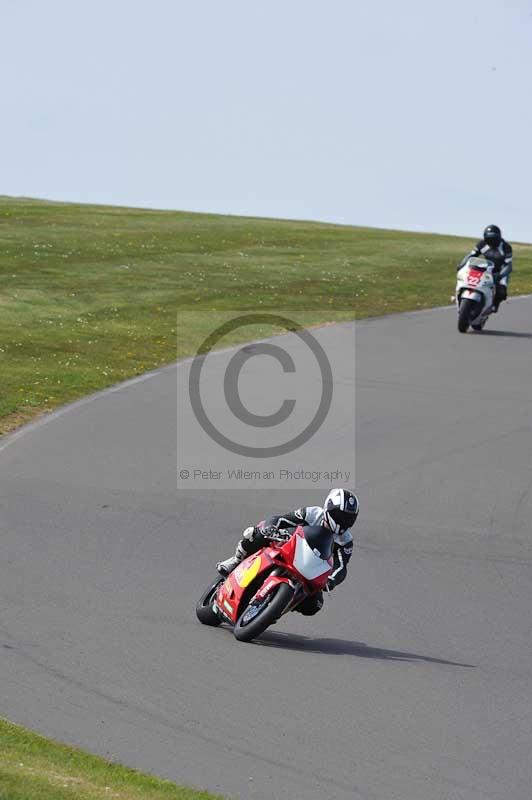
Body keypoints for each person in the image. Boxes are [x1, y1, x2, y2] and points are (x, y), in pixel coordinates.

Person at [216, 488, 359, 615]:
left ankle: (280, 604)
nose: (343, 521)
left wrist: (331, 580)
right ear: (328, 507)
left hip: (309, 569)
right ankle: (236, 560)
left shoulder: (346, 540)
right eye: (340, 516)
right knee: (256, 533)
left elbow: (341, 566)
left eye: (348, 518)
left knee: (315, 605)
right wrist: (271, 528)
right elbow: (281, 519)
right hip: (286, 545)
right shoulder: (313, 514)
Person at [458, 224, 513, 312]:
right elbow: (472, 255)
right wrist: (461, 264)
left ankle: (494, 305)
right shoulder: (482, 244)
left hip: (501, 271)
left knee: (501, 291)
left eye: (493, 239)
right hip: (487, 268)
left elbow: (508, 265)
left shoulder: (506, 247)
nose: (491, 241)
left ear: (499, 237)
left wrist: (500, 275)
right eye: (489, 239)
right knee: (470, 281)